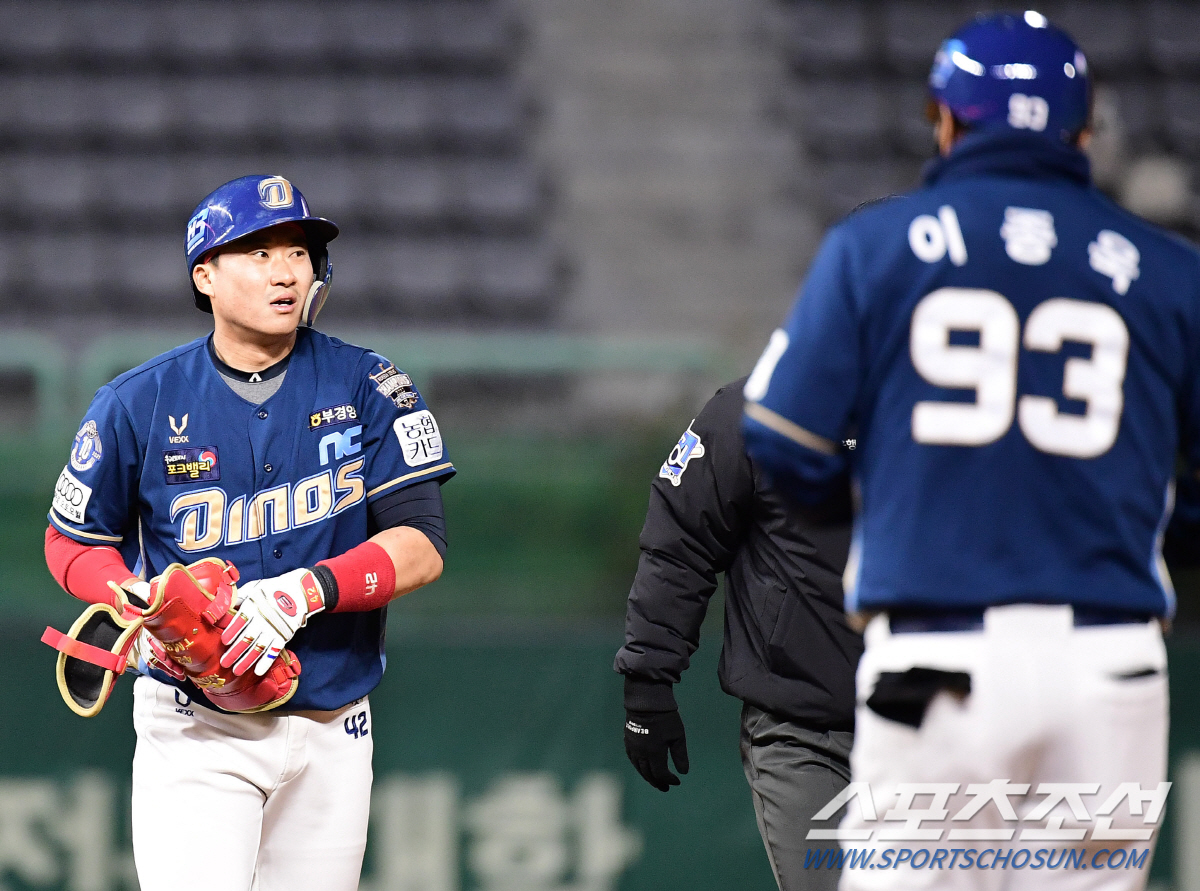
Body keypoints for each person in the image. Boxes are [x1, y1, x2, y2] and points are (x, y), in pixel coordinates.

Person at [742, 12, 1188, 889]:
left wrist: (875, 508)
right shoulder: (1169, 271)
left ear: (946, 121)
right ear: (1084, 132)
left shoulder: (876, 247)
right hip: (1111, 662)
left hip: (940, 656)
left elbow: (781, 437)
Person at [43, 175, 455, 891]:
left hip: (332, 721)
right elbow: (72, 541)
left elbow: (421, 541)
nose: (286, 271)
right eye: (259, 252)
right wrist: (140, 600)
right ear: (204, 274)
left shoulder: (371, 384)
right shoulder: (139, 400)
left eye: (297, 251)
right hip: (195, 723)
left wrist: (306, 591)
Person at [615, 377, 863, 891]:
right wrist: (647, 682)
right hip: (808, 730)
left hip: (940, 720)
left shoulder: (950, 409)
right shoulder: (754, 407)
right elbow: (680, 542)